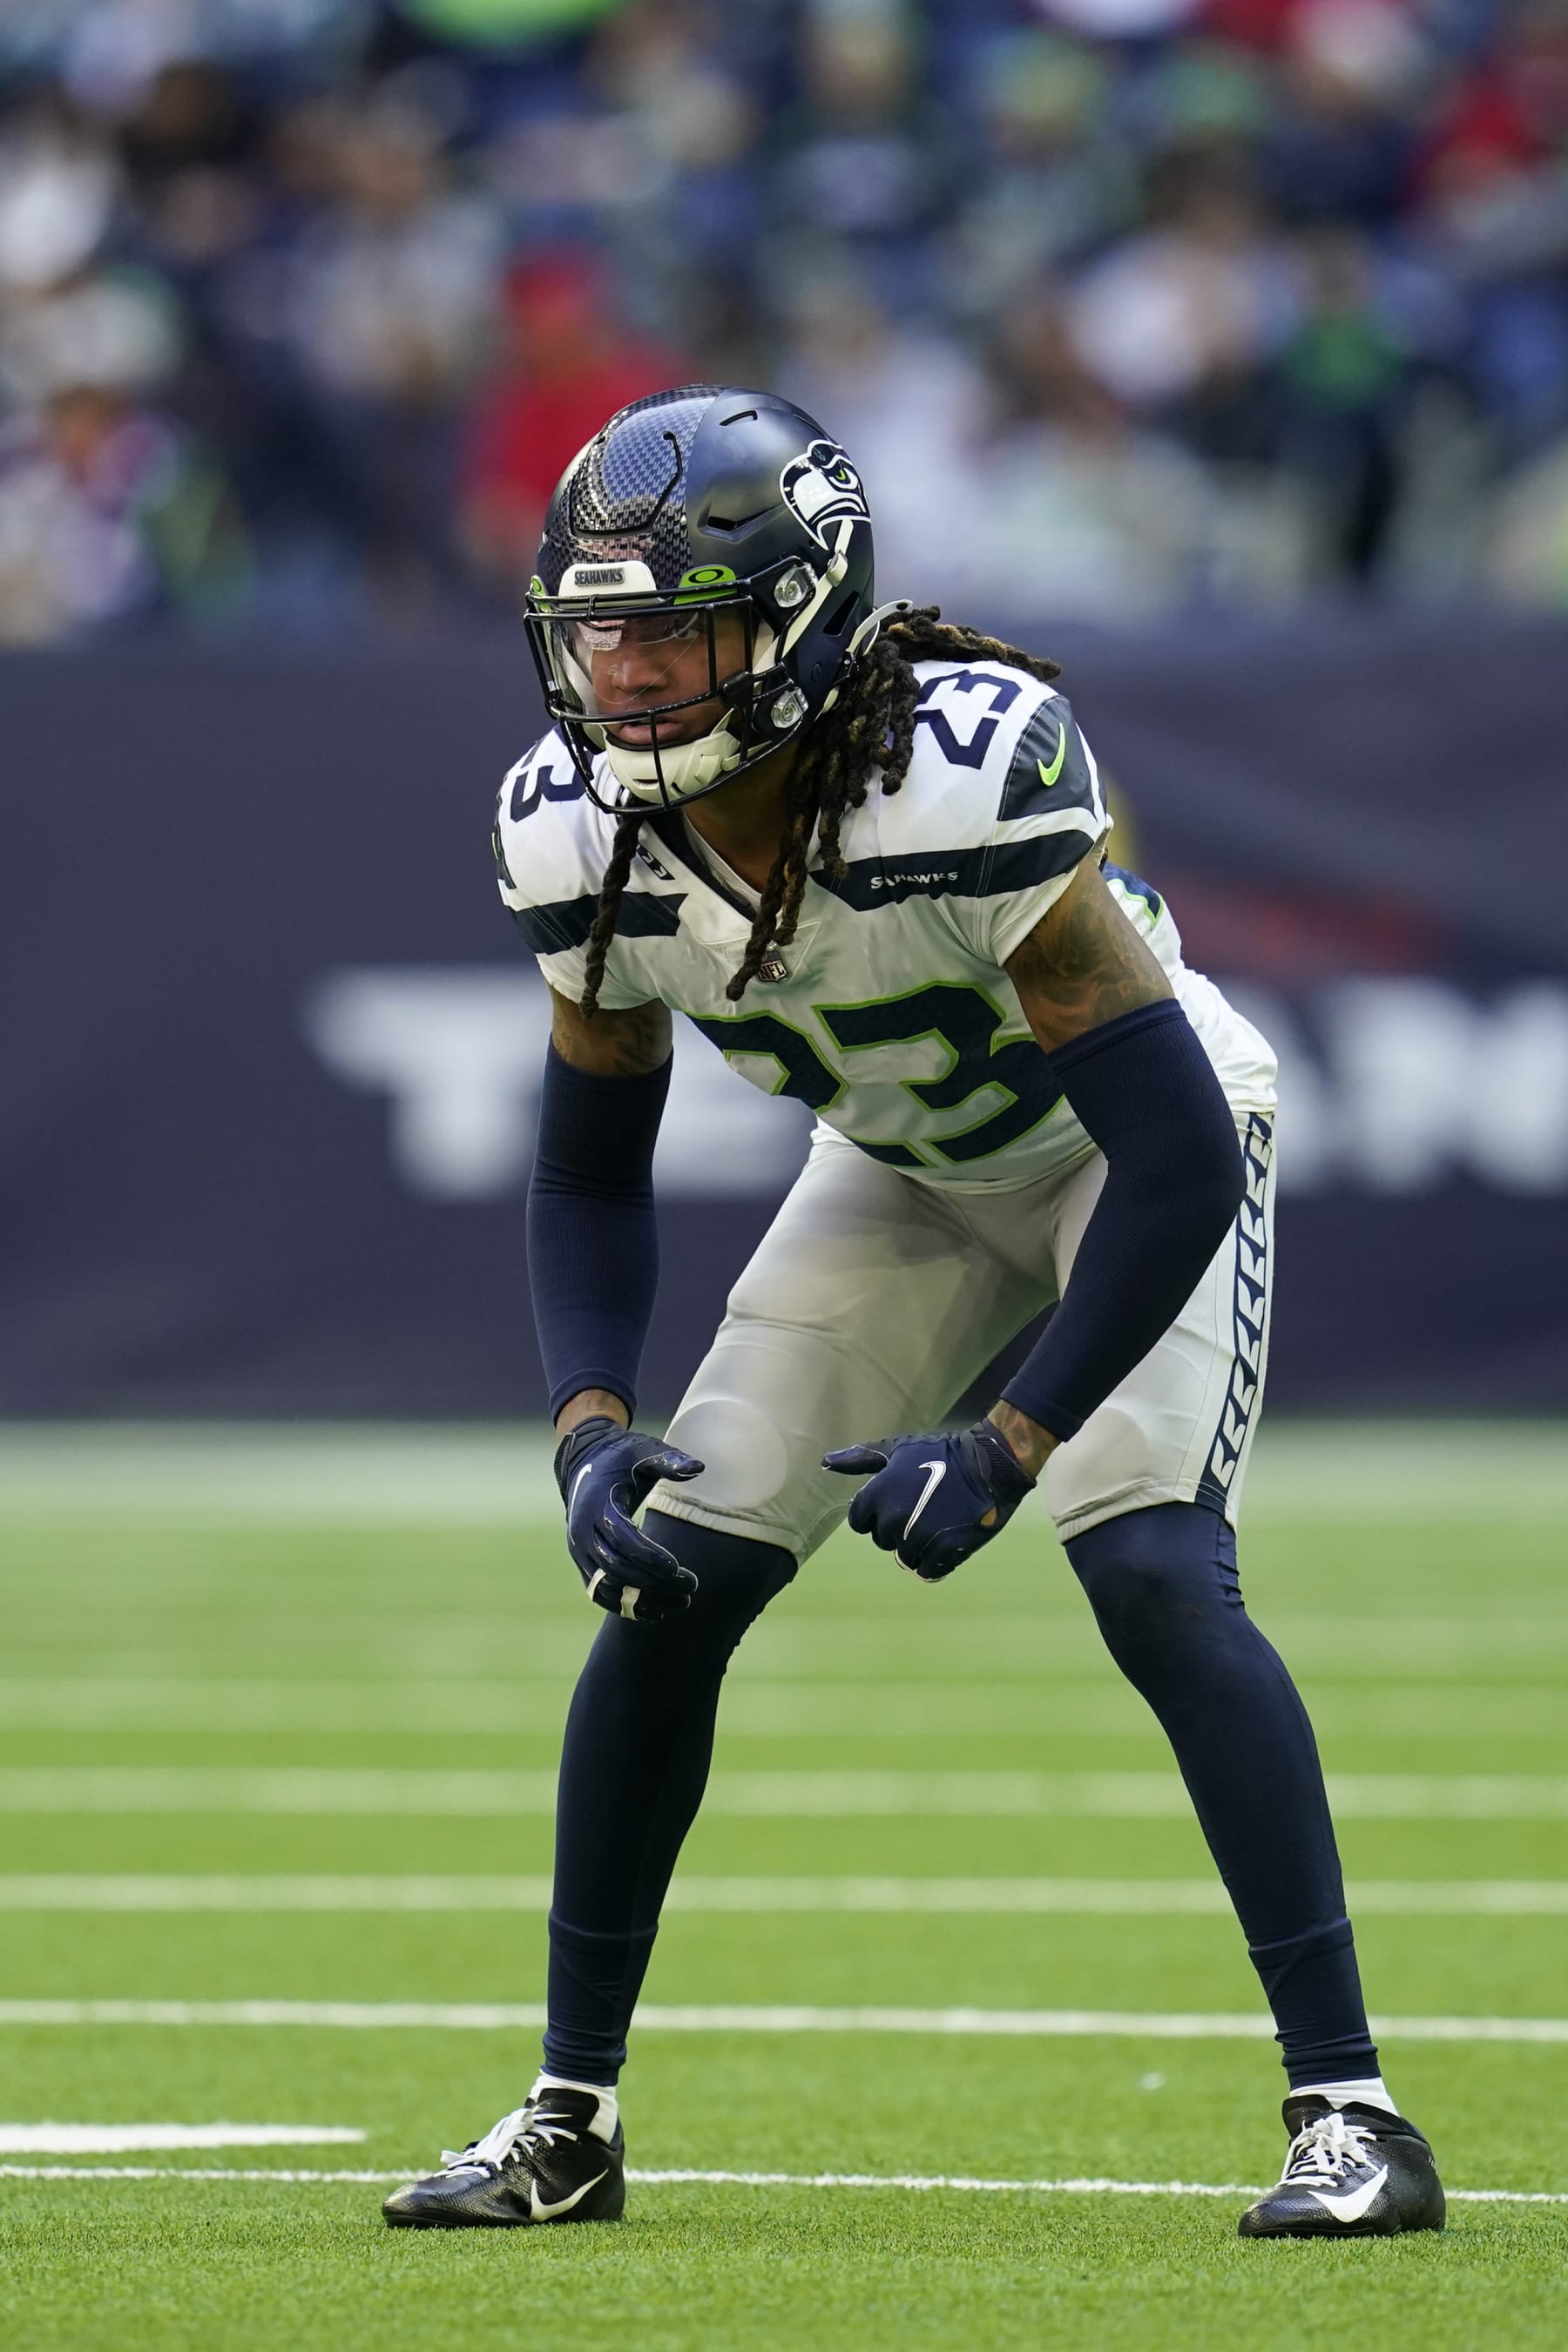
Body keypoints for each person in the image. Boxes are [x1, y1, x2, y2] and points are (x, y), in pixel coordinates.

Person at [382, 384, 1446, 2241]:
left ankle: (1354, 2115)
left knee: (1150, 1573)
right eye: (597, 630)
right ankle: (570, 2118)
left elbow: (1178, 1152)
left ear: (799, 622)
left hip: (1137, 1145)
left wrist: (1015, 1439)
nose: (623, 676)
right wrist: (583, 1426)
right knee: (670, 1574)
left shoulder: (961, 769)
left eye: (674, 626)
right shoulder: (579, 834)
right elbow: (586, 1172)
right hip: (903, 1170)